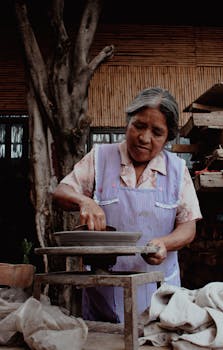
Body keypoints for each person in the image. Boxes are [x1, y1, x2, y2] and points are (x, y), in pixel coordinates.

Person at [52, 86, 202, 323]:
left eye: (157, 132)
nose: (144, 138)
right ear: (128, 121)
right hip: (105, 292)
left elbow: (188, 226)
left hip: (160, 294)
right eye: (139, 126)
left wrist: (164, 243)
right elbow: (60, 192)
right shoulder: (100, 158)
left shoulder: (177, 170)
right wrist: (84, 200)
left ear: (168, 137)